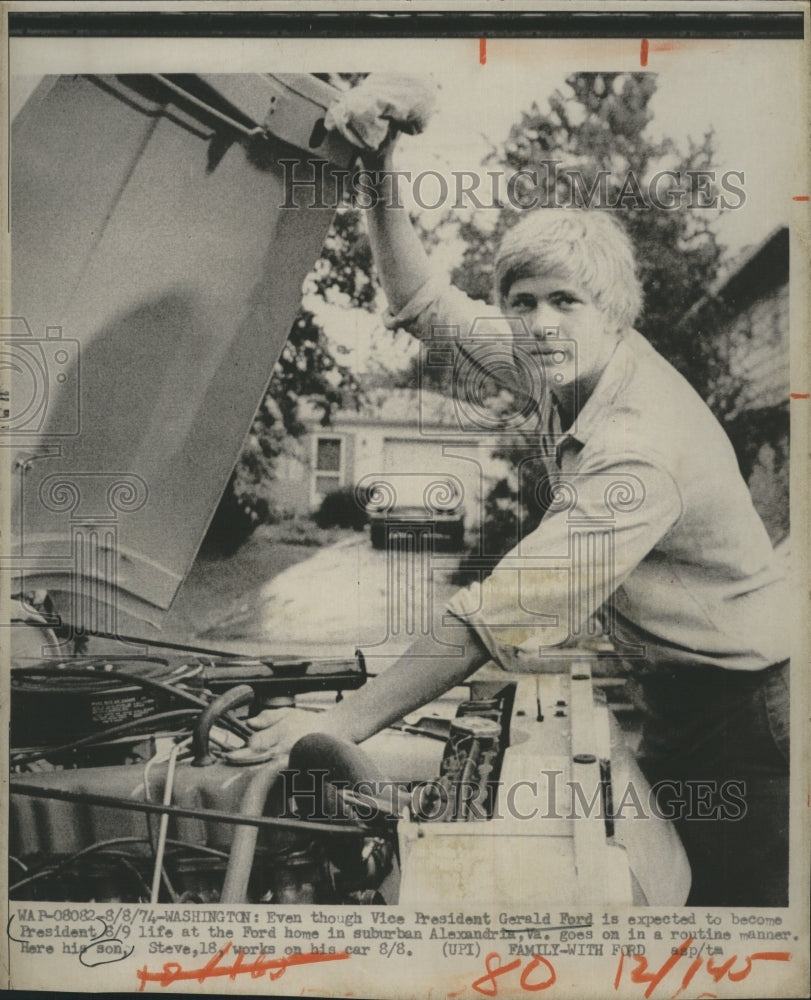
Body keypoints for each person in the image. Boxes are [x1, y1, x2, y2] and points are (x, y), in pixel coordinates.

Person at [248, 76, 790, 907]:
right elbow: (422, 301)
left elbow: (492, 616)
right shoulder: (556, 365)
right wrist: (381, 162)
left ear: (613, 313)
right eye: (522, 301)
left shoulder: (636, 450)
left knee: (727, 931)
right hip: (679, 698)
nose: (538, 322)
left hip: (744, 716)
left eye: (563, 302)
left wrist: (342, 725)